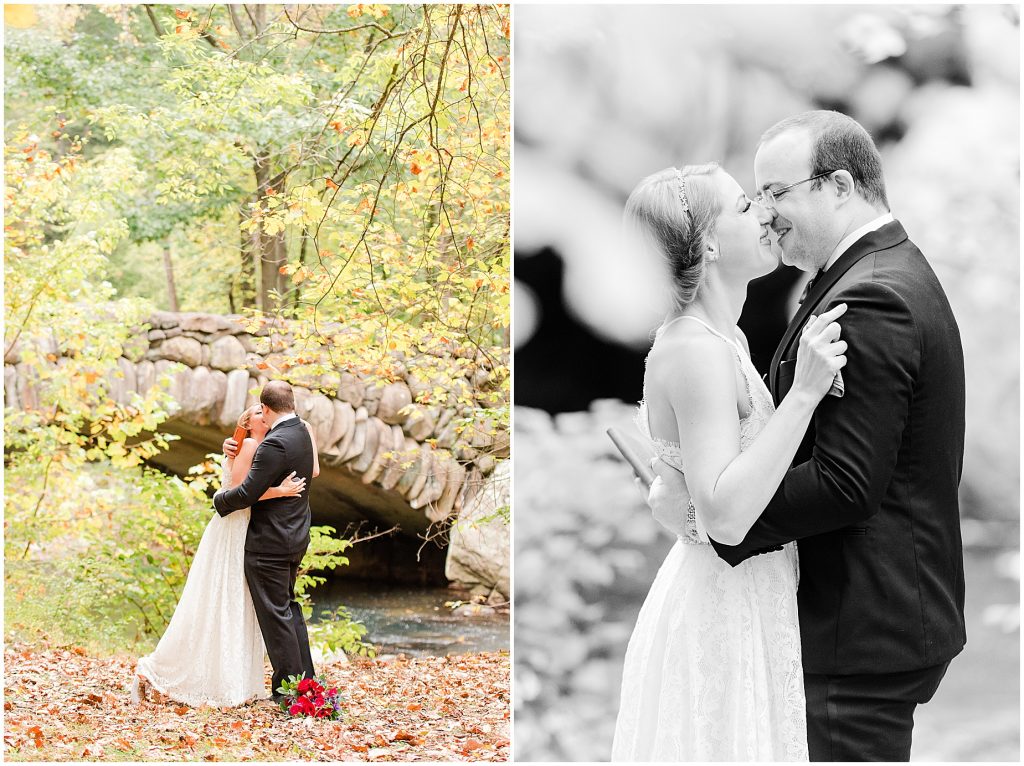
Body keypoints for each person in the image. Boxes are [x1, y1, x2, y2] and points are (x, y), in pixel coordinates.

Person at [652, 110, 967, 761]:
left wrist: (718, 523)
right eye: (756, 197)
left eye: (776, 193)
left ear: (840, 185)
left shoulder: (873, 297)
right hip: (851, 623)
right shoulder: (864, 276)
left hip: (857, 630)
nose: (766, 213)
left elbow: (844, 481)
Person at [610, 162, 849, 761]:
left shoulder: (726, 340)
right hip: (724, 603)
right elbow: (725, 517)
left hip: (749, 590)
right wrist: (805, 393)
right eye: (745, 206)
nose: (765, 213)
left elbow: (691, 487)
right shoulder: (694, 350)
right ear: (710, 244)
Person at [132, 404, 308, 707]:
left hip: (247, 529)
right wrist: (279, 492)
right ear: (248, 423)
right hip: (234, 528)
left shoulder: (264, 444)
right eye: (256, 414)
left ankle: (235, 680)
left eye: (263, 411)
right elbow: (241, 492)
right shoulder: (253, 444)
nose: (262, 416)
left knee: (237, 605)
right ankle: (159, 670)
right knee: (225, 601)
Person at [214, 380, 319, 703]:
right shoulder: (302, 431)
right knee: (289, 609)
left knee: (276, 617)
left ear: (268, 408)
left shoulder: (274, 444)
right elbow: (311, 472)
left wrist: (219, 501)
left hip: (270, 543)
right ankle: (307, 686)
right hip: (295, 535)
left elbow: (246, 494)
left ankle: (291, 693)